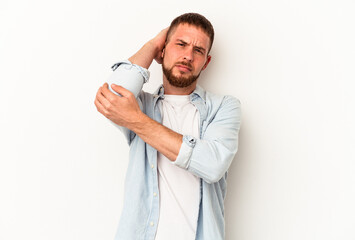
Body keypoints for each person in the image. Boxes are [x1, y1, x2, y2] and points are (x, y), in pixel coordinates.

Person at [94, 13, 241, 240]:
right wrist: (152, 45)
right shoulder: (142, 104)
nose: (188, 56)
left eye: (198, 50)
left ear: (206, 61)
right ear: (163, 51)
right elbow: (110, 97)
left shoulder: (223, 108)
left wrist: (135, 119)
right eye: (180, 44)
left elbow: (212, 165)